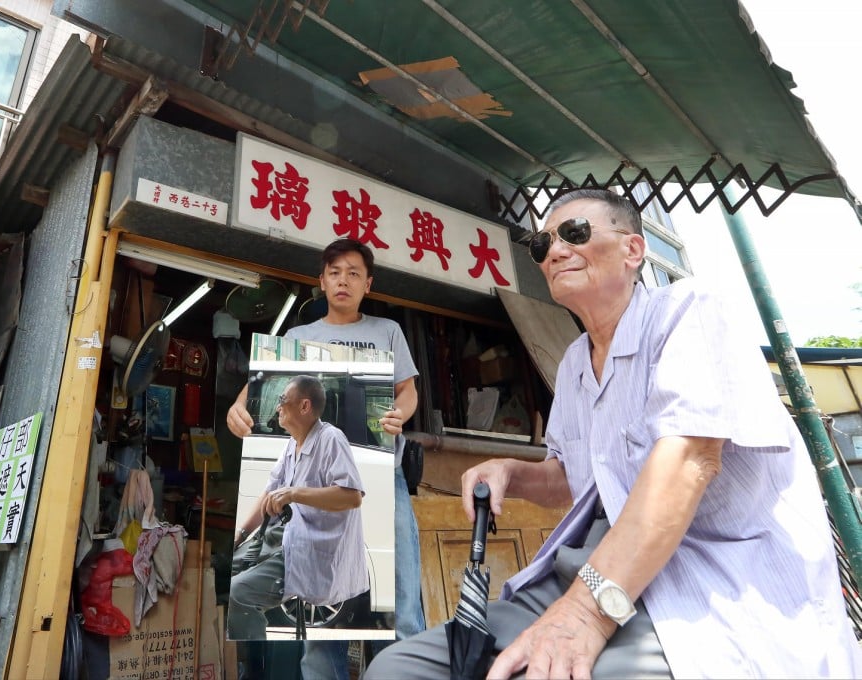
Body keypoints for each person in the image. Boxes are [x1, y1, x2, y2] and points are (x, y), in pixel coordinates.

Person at [366, 188, 862, 679]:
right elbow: (571, 479)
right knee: (398, 667)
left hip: (708, 574)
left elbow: (689, 461)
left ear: (633, 250)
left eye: (575, 233)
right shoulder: (575, 364)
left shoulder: (688, 310)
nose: (555, 251)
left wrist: (584, 615)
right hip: (589, 568)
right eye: (541, 246)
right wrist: (511, 471)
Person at [227, 238, 423, 678]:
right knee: (319, 630)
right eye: (335, 272)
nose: (344, 280)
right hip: (317, 500)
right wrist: (238, 408)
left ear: (368, 283)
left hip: (382, 477)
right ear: (321, 281)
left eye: (354, 273)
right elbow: (259, 387)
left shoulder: (386, 331)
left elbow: (407, 390)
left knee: (400, 602)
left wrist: (399, 414)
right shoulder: (299, 338)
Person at [228, 375, 369, 640]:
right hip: (286, 542)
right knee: (227, 569)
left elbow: (352, 497)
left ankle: (256, 663)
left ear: (304, 406)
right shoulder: (292, 444)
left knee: (239, 592)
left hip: (310, 553)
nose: (278, 407)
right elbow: (270, 491)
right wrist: (242, 534)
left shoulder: (331, 439)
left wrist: (294, 493)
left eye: (282, 400)